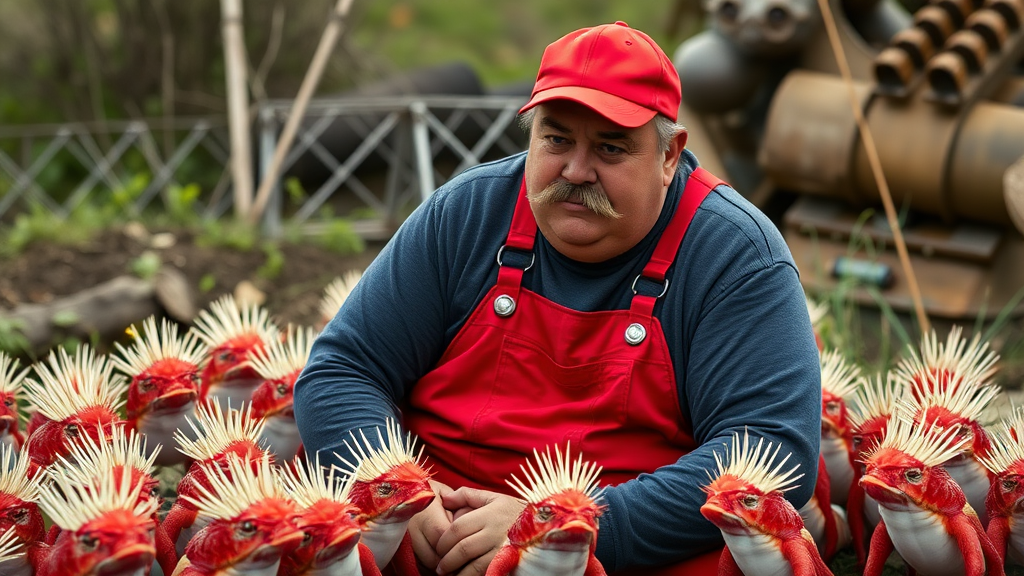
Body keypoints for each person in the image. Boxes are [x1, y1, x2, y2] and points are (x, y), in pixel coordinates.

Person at [294, 21, 821, 576]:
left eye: (610, 148)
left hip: (614, 553)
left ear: (670, 156)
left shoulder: (735, 255)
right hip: (430, 535)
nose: (575, 170)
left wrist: (559, 530)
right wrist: (397, 490)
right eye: (556, 139)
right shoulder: (466, 213)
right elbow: (342, 370)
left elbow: (771, 451)